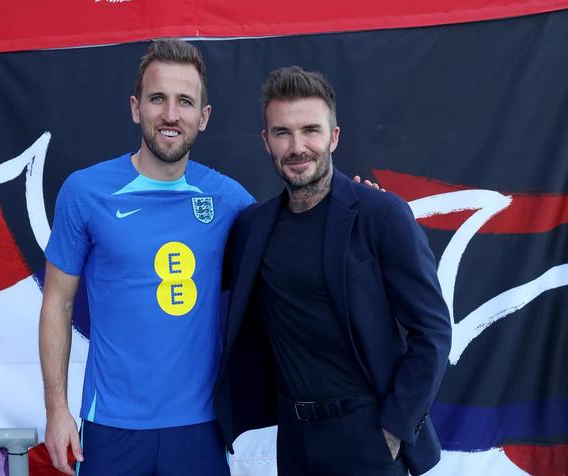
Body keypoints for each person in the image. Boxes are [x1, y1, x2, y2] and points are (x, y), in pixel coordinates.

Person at [214, 66, 452, 476]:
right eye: (283, 132)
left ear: (334, 137)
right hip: (294, 439)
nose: (297, 147)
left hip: (368, 437)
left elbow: (432, 331)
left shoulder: (381, 215)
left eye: (311, 130)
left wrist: (395, 429)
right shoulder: (252, 227)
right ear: (266, 140)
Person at [38, 39, 254, 475]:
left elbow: (295, 247)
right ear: (136, 108)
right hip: (111, 424)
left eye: (185, 102)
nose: (171, 114)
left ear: (203, 117)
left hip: (200, 426)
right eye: (158, 99)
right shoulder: (85, 192)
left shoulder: (230, 200)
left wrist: (363, 209)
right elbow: (57, 302)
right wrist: (57, 410)